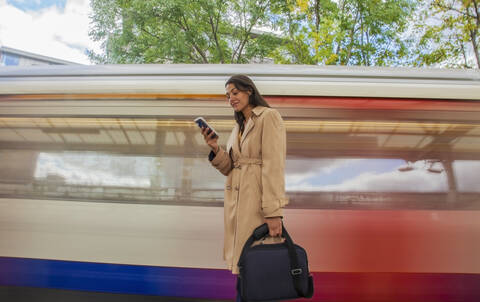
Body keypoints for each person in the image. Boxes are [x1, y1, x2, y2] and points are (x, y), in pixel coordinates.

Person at [200, 74, 288, 301]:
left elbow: (274, 166)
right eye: (228, 95)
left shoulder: (269, 117)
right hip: (238, 208)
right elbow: (230, 167)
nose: (231, 98)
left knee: (255, 270)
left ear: (249, 91)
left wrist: (273, 212)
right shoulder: (238, 126)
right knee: (245, 272)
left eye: (235, 93)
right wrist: (214, 148)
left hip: (256, 208)